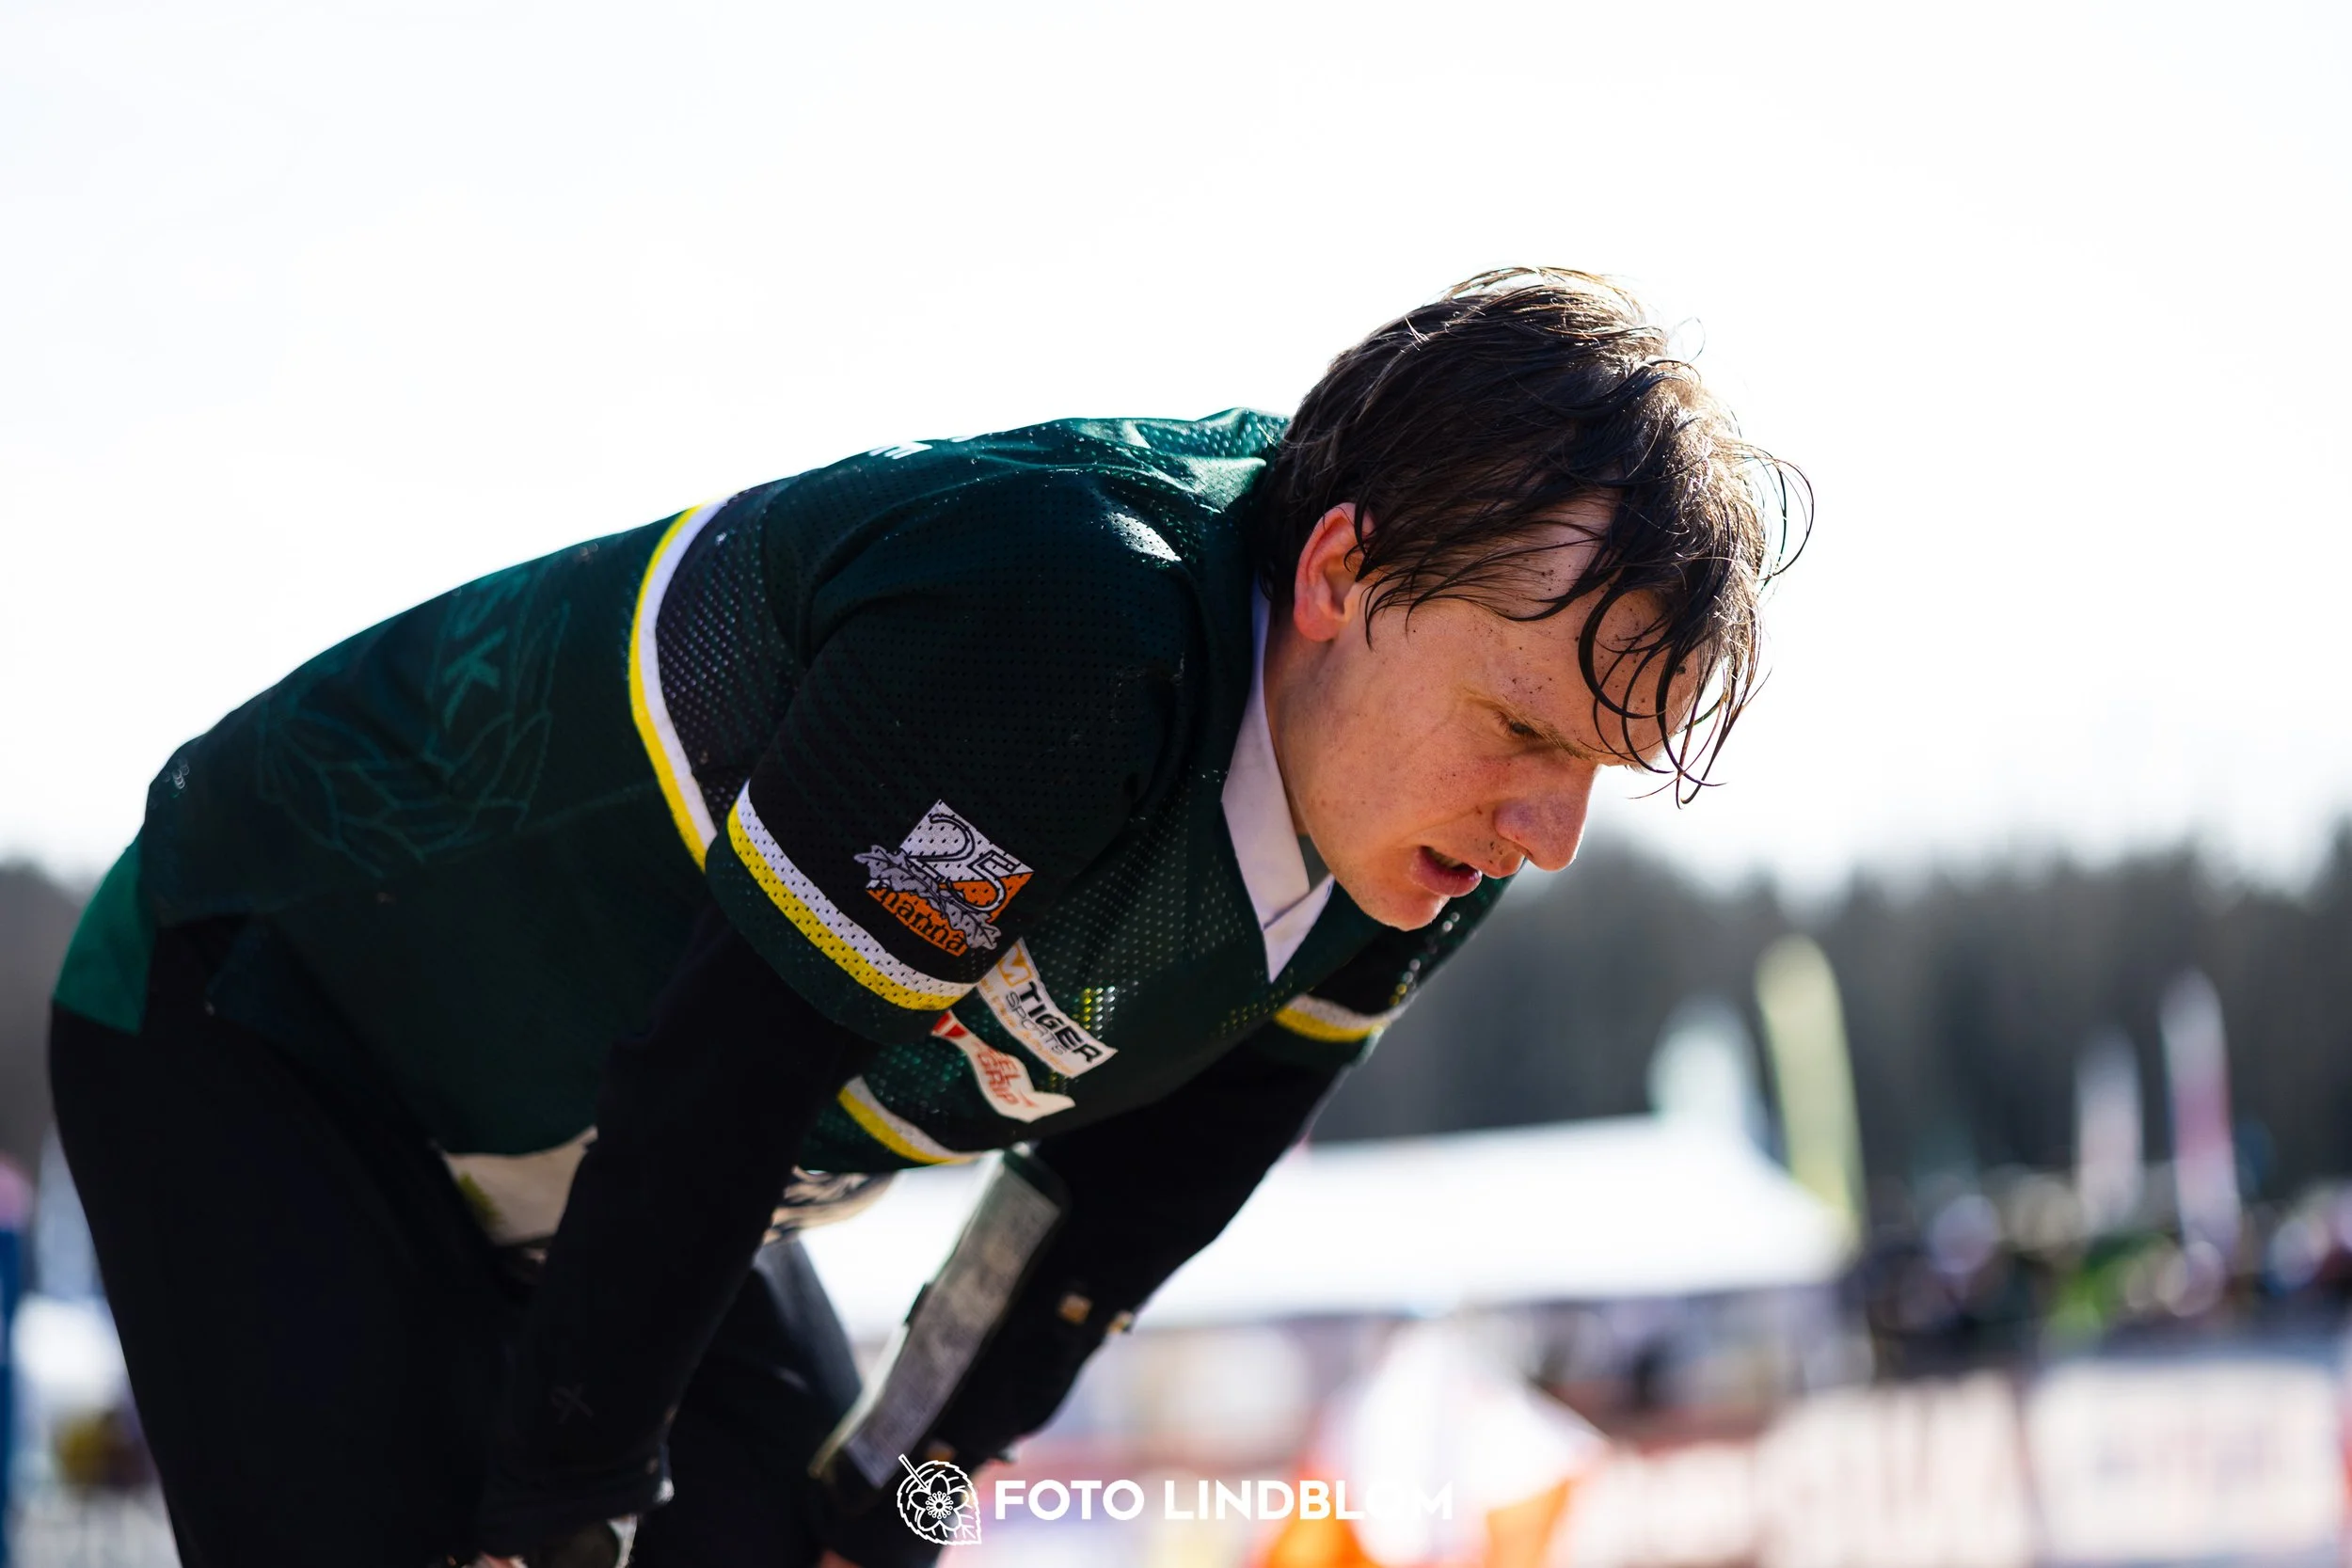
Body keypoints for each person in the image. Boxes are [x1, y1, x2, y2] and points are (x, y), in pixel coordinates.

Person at [46, 268, 1800, 1567]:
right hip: (268, 1014)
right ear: (1342, 569)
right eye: (1522, 732)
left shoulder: (1423, 859)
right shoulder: (1067, 631)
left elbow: (1099, 1232)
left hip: (644, 1148)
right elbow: (723, 1082)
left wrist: (903, 1502)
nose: (1548, 837)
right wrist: (563, 1510)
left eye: (1599, 771)